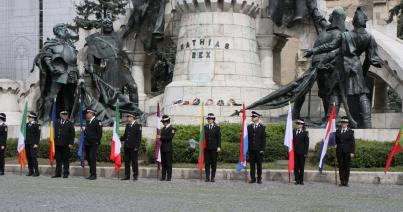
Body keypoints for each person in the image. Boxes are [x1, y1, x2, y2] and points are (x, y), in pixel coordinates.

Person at [52, 111, 75, 178]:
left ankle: (65, 173)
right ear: (60, 115)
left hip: (66, 144)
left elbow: (72, 134)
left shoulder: (70, 123)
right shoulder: (56, 122)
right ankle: (58, 173)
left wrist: (71, 143)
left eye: (66, 115)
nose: (65, 116)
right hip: (57, 144)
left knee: (65, 160)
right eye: (63, 114)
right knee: (58, 160)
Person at [120, 113, 142, 181]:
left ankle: (135, 176)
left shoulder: (138, 126)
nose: (128, 118)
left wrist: (136, 147)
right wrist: (119, 138)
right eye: (128, 117)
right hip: (127, 146)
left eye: (129, 117)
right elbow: (125, 136)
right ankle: (127, 176)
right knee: (127, 162)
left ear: (133, 117)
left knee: (134, 162)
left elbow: (138, 138)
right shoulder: (127, 125)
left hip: (133, 147)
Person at [335, 116, 355, 187]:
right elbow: (336, 141)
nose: (343, 124)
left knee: (346, 166)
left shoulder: (350, 132)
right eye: (342, 123)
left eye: (345, 123)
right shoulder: (337, 131)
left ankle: (346, 181)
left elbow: (352, 143)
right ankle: (341, 181)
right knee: (341, 166)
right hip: (339, 151)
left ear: (347, 124)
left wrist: (352, 152)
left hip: (347, 151)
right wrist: (335, 144)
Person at [248, 111, 266, 184]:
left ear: (258, 118)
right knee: (252, 165)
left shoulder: (262, 127)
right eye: (252, 117)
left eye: (254, 117)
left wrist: (262, 149)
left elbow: (263, 139)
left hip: (259, 149)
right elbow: (247, 138)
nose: (252, 118)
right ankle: (253, 178)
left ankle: (259, 178)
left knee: (259, 164)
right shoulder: (249, 127)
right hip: (251, 149)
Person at [84, 109, 102, 180]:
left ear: (92, 114)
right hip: (87, 143)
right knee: (88, 158)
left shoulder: (97, 122)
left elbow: (99, 133)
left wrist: (96, 142)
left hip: (93, 144)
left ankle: (94, 175)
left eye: (88, 113)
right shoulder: (88, 122)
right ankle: (91, 173)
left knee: (92, 159)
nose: (87, 114)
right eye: (87, 113)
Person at [204, 113, 221, 182]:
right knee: (207, 163)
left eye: (209, 119)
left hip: (214, 148)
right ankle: (207, 177)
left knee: (214, 163)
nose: (208, 120)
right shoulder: (205, 127)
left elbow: (219, 138)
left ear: (213, 119)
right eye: (208, 119)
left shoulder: (217, 127)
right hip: (206, 148)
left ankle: (212, 177)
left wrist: (219, 146)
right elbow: (203, 138)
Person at [158, 115, 175, 181]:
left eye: (164, 122)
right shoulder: (163, 129)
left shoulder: (172, 129)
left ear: (167, 121)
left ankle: (169, 177)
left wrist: (161, 137)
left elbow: (169, 138)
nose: (163, 123)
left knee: (168, 163)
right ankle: (163, 176)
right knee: (163, 163)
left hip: (168, 149)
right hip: (163, 148)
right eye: (163, 122)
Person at [293, 119, 309, 185]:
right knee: (295, 167)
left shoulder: (305, 133)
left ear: (302, 125)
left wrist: (305, 152)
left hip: (302, 153)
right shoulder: (293, 131)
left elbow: (306, 143)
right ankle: (296, 180)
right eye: (297, 124)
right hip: (295, 152)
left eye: (299, 124)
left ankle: (301, 180)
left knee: (301, 167)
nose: (298, 125)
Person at [26, 112, 41, 177]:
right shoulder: (26, 124)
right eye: (28, 117)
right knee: (28, 158)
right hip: (27, 143)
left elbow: (38, 135)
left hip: (33, 144)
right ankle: (30, 171)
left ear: (33, 118)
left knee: (33, 158)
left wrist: (36, 143)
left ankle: (36, 172)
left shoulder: (37, 125)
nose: (28, 118)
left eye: (29, 117)